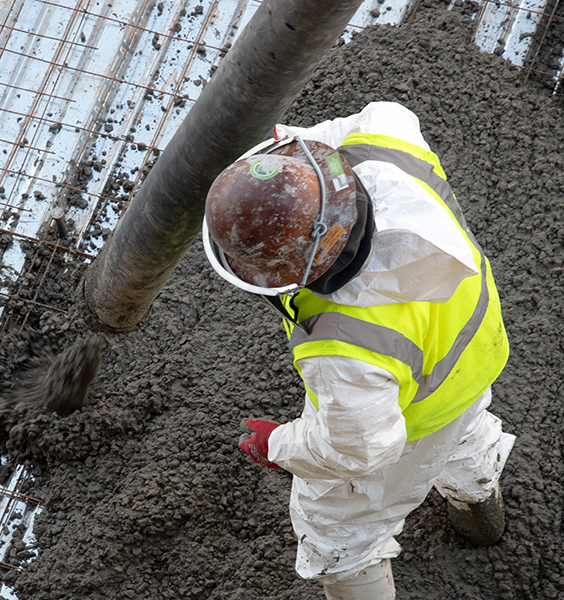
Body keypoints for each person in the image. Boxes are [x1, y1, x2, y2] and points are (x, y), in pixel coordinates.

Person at [202, 101, 515, 600]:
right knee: (465, 438)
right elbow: (364, 123)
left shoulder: (341, 345)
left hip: (414, 417)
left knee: (332, 532)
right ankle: (481, 515)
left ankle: (360, 570)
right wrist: (279, 169)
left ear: (290, 274)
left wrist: (278, 446)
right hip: (470, 352)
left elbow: (362, 448)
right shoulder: (388, 142)